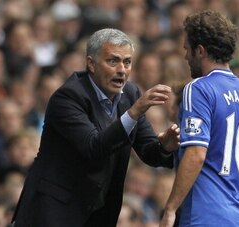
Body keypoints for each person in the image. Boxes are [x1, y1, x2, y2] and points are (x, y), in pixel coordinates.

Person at [11, 28, 180, 227]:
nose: (122, 70)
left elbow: (149, 152)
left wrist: (166, 146)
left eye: (127, 62)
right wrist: (134, 113)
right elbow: (94, 148)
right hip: (54, 213)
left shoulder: (130, 95)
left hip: (98, 215)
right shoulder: (68, 97)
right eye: (113, 61)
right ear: (91, 63)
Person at [160, 10, 239, 227]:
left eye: (187, 49)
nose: (185, 57)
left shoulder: (198, 89)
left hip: (202, 217)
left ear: (200, 51)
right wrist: (236, 205)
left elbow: (196, 154)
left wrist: (171, 209)